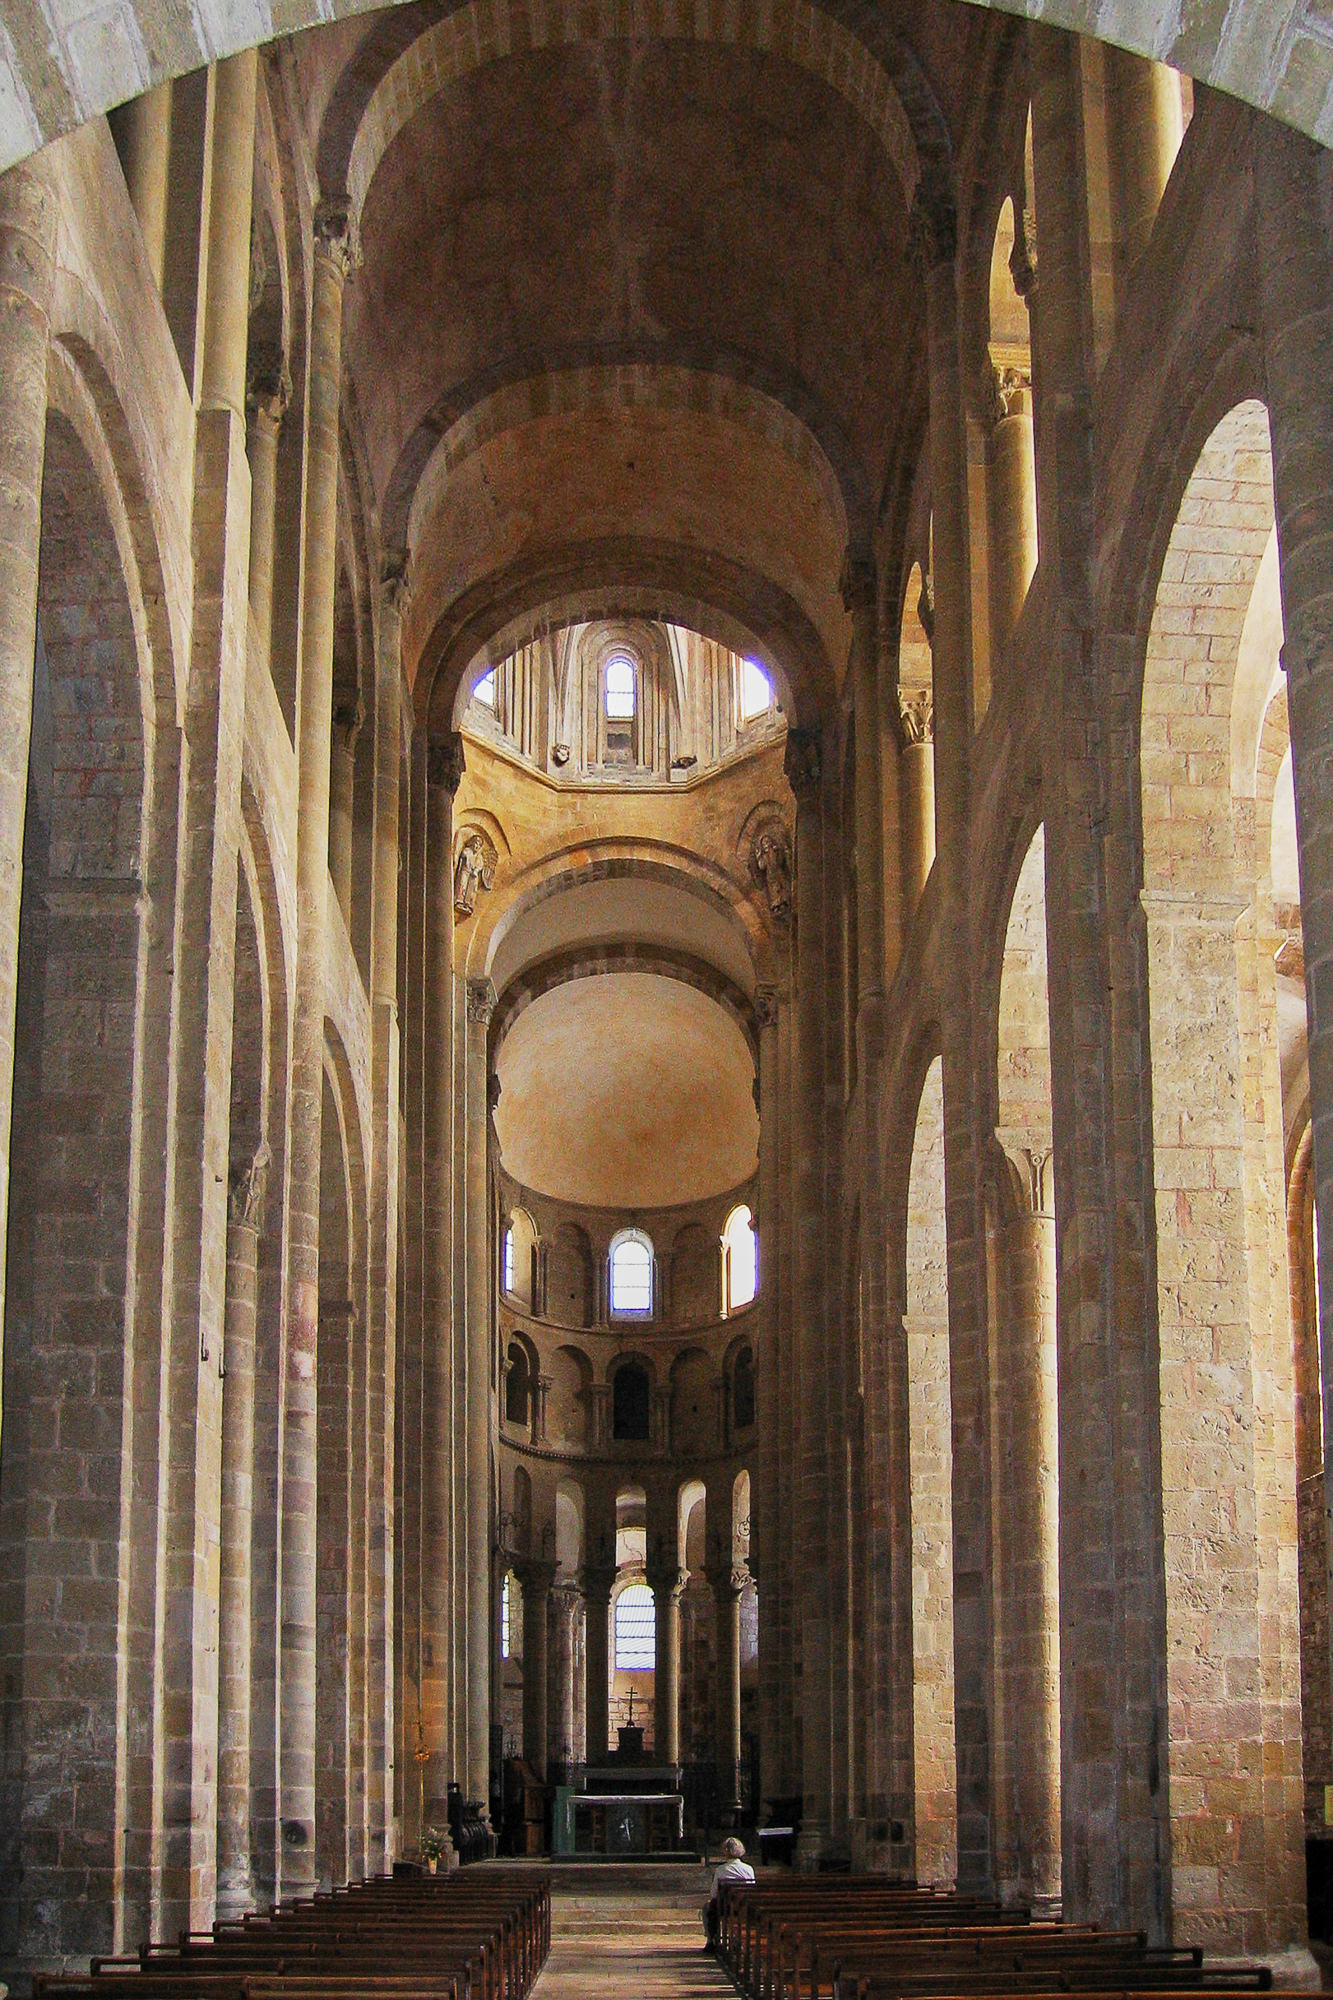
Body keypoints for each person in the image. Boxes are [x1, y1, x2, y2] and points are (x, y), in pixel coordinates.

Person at [703, 1835, 755, 1951]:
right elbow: (752, 1889)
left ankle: (711, 1940)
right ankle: (738, 1940)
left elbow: (714, 1894)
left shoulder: (721, 1870)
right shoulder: (748, 1869)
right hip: (743, 1906)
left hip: (725, 1907)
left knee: (707, 1907)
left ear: (726, 1852)